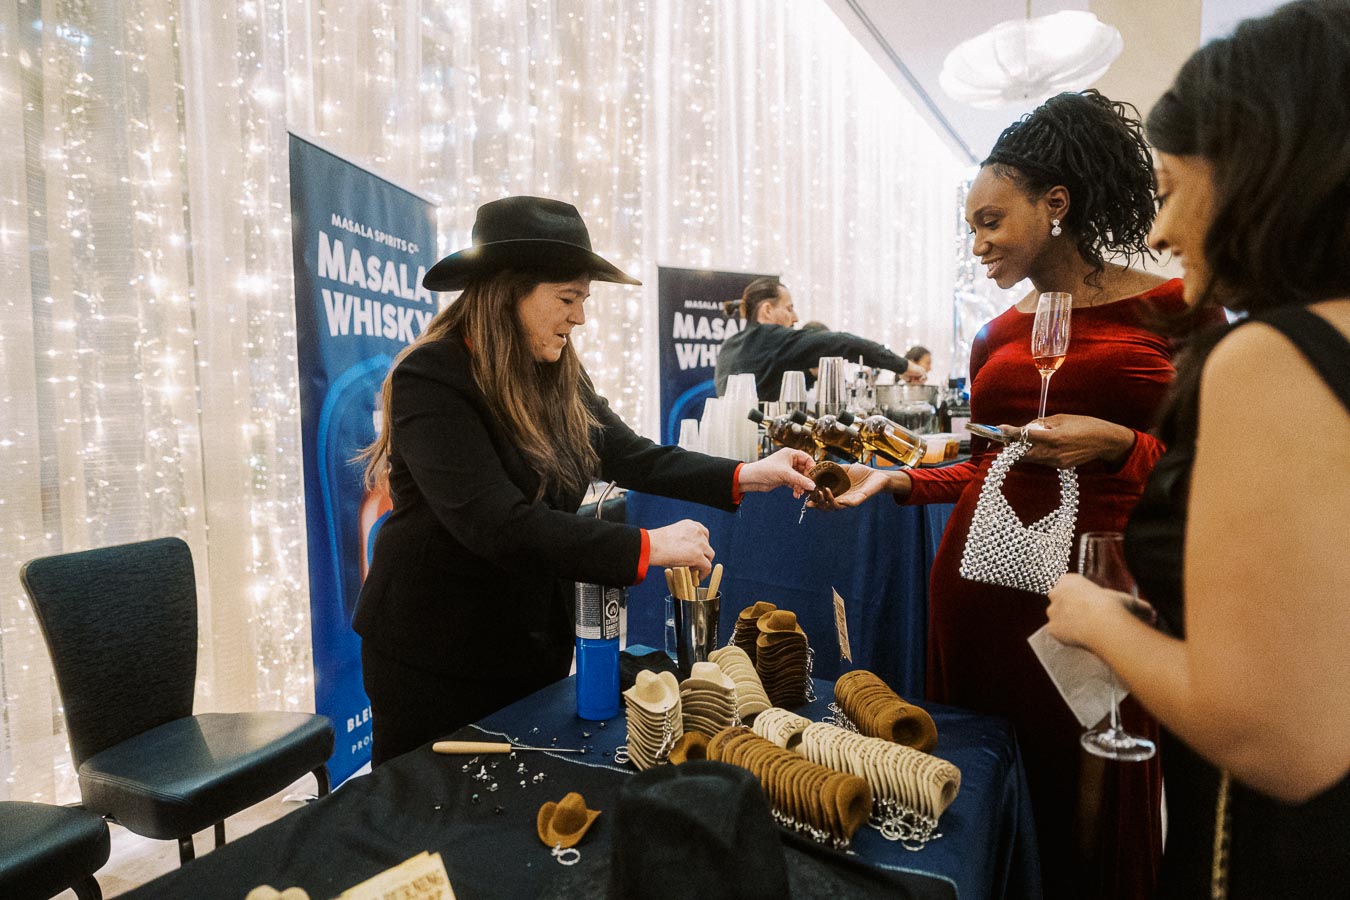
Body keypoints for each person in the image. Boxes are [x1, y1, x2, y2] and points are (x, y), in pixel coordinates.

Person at [812, 91, 1224, 899]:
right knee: (986, 780)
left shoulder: (1178, 310)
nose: (978, 244)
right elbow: (986, 464)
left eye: (991, 220)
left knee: (1093, 790)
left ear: (1055, 205)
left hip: (1104, 588)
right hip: (978, 589)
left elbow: (1219, 460)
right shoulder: (998, 334)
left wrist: (1123, 447)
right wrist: (892, 479)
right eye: (971, 227)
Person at [1044, 4, 1350, 897]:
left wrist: (1097, 620)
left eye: (1172, 188)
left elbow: (1273, 736)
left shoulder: (1272, 355)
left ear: (1260, 166)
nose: (1159, 230)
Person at [353, 197, 815, 766]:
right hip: (435, 652)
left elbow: (630, 453)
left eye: (584, 300)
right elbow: (493, 523)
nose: (580, 317)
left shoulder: (556, 372)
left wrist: (747, 473)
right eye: (567, 299)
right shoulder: (433, 378)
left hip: (526, 644)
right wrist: (647, 546)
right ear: (506, 294)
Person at [713, 277, 924, 399]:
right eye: (789, 308)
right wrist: (904, 365)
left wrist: (812, 373)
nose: (795, 318)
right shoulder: (770, 337)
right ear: (767, 310)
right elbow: (845, 343)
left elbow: (768, 382)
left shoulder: (730, 346)